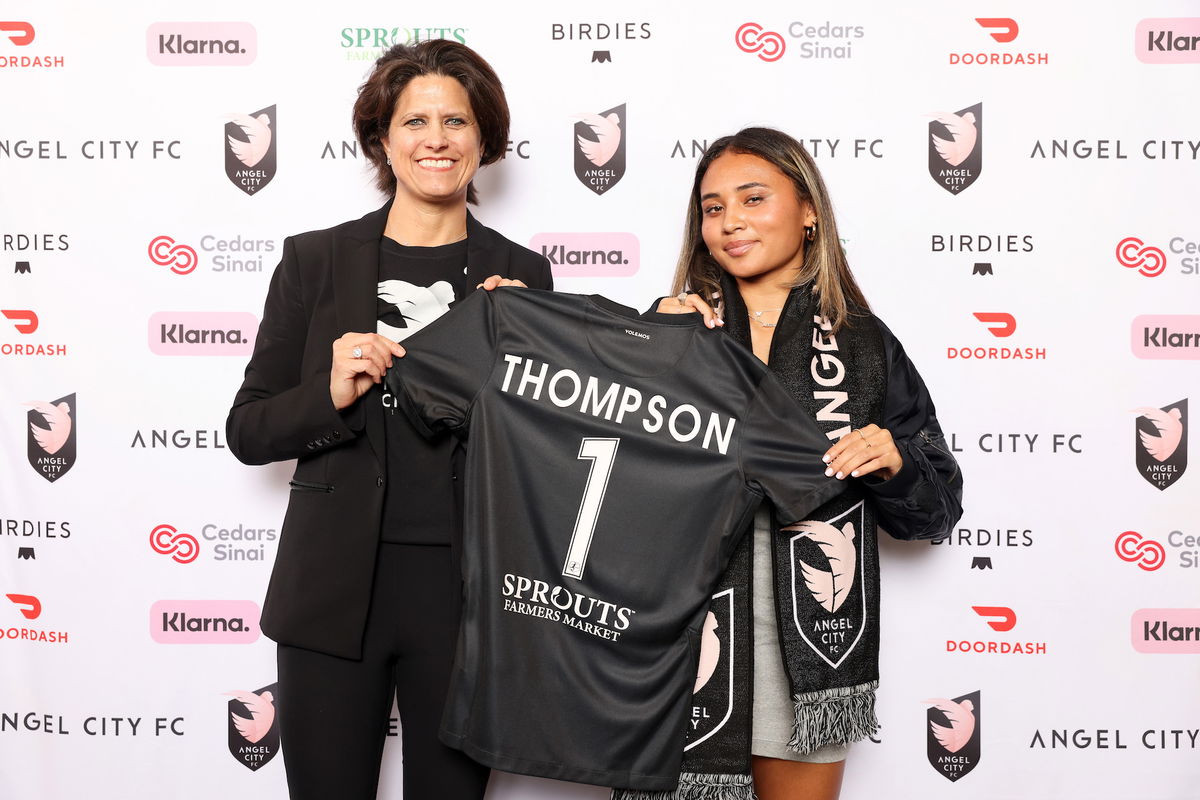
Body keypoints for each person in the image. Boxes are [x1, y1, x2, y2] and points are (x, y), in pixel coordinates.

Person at [226, 40, 552, 800]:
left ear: (484, 140)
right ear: (382, 138)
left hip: (467, 596)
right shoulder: (315, 261)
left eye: (456, 122)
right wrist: (329, 391)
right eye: (415, 121)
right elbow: (249, 430)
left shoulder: (524, 276)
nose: (436, 139)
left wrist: (519, 361)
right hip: (333, 593)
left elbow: (547, 457)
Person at [655, 127, 963, 800]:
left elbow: (937, 509)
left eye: (753, 198)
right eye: (712, 207)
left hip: (813, 649)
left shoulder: (864, 342)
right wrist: (647, 349)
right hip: (686, 640)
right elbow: (600, 477)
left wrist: (897, 462)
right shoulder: (672, 327)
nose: (730, 220)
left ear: (808, 212)